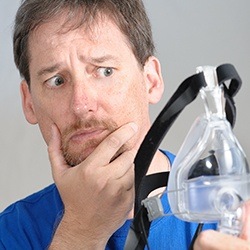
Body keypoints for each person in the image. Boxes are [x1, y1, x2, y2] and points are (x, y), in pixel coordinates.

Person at [0, 0, 249, 249]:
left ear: (150, 81)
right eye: (56, 81)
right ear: (29, 102)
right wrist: (80, 232)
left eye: (105, 71)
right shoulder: (10, 234)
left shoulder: (237, 214)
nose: (81, 104)